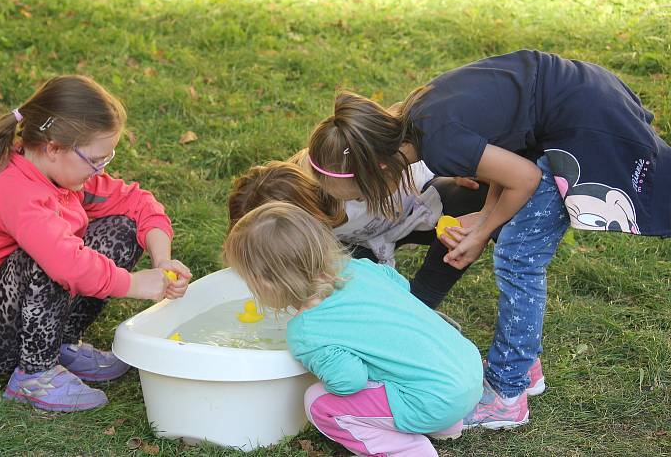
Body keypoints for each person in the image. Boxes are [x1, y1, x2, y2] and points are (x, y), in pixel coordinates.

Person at [306, 49, 671, 429]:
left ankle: (507, 393)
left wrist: (481, 233)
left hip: (584, 123)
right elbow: (508, 151)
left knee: (518, 259)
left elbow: (525, 178)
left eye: (359, 193)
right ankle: (523, 366)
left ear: (379, 168)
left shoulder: (439, 144)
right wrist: (485, 217)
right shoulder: (419, 119)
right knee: (515, 245)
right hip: (578, 98)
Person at [0, 75, 192, 412]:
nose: (99, 168)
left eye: (106, 159)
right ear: (54, 148)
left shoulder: (64, 175)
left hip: (17, 315)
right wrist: (133, 284)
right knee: (49, 258)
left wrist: (162, 262)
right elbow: (66, 263)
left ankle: (60, 344)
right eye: (96, 159)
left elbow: (138, 203)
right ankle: (35, 373)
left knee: (123, 228)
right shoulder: (16, 191)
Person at [223, 201, 483, 457]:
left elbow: (350, 380)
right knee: (400, 355)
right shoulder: (361, 268)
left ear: (266, 284)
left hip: (433, 401)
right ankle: (445, 426)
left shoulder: (306, 330)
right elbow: (400, 286)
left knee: (318, 403)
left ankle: (406, 450)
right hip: (467, 371)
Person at [228, 152, 487, 309]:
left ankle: (422, 299)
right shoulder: (308, 229)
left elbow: (405, 145)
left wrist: (452, 169)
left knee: (468, 199)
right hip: (367, 240)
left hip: (417, 207)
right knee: (347, 288)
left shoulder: (343, 177)